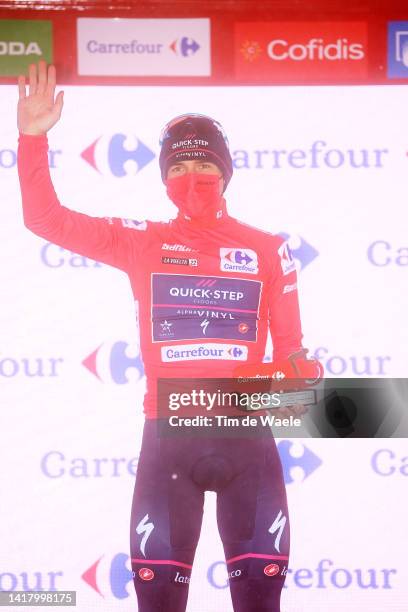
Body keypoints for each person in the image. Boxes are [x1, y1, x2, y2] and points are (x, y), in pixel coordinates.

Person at [17, 60, 314, 612]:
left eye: (205, 163)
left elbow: (294, 363)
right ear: (163, 180)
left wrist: (299, 382)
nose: (193, 176)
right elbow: (46, 221)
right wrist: (32, 137)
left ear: (227, 173)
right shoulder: (142, 244)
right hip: (166, 448)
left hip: (247, 445)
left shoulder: (269, 249)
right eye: (180, 166)